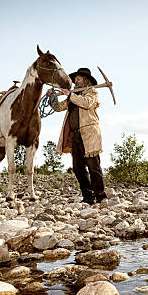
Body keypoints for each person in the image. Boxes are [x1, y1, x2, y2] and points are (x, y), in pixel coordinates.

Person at [50, 67, 107, 204]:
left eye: (78, 79)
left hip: (89, 136)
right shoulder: (73, 95)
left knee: (94, 167)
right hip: (75, 136)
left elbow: (86, 103)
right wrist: (52, 97)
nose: (75, 81)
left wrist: (70, 95)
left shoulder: (92, 93)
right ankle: (88, 197)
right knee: (77, 168)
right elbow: (59, 107)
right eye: (75, 79)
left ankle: (100, 196)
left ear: (85, 80)